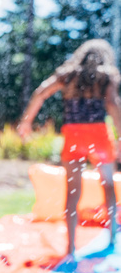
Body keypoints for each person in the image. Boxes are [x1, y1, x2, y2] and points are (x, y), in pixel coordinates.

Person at [18, 39, 120, 259]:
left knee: (73, 192)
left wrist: (26, 122)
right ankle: (112, 237)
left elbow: (41, 93)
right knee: (109, 187)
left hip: (74, 135)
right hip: (98, 135)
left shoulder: (68, 75)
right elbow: (112, 104)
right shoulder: (106, 77)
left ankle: (71, 247)